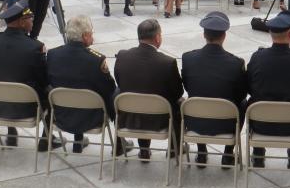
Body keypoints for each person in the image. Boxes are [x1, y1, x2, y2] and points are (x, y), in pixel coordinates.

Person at [46, 15, 129, 155]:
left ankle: (78, 142)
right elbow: (109, 88)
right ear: (84, 36)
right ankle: (119, 142)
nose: (93, 37)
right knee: (115, 94)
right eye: (91, 34)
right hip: (92, 118)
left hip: (62, 115)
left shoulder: (53, 54)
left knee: (69, 88)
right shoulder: (96, 59)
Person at [0, 0, 57, 151]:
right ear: (22, 22)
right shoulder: (35, 47)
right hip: (27, 108)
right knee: (52, 92)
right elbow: (44, 80)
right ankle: (45, 139)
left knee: (5, 79)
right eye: (30, 18)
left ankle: (11, 132)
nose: (32, 21)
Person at [246, 11, 290, 169]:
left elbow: (250, 87)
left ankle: (258, 155)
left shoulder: (257, 58)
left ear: (270, 35)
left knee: (253, 101)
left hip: (260, 122)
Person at [181, 12, 248, 167]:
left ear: (204, 34)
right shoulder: (236, 63)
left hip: (195, 123)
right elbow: (240, 95)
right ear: (224, 36)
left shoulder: (188, 59)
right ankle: (227, 153)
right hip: (225, 123)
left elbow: (187, 87)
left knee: (194, 97)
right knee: (243, 103)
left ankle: (202, 152)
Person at [114, 19, 184, 160]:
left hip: (130, 117)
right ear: (157, 38)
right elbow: (178, 92)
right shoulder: (168, 63)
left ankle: (144, 150)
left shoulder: (122, 56)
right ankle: (173, 149)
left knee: (125, 94)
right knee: (180, 103)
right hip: (160, 120)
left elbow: (120, 82)